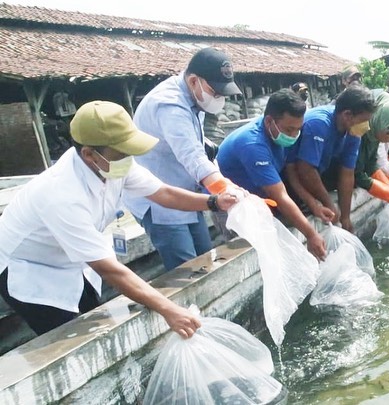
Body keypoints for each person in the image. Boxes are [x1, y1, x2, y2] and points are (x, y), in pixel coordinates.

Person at [0, 101, 236, 337]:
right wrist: (169, 309)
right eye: (122, 151)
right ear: (89, 153)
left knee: (93, 320)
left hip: (72, 260)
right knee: (67, 334)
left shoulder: (113, 164)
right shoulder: (60, 194)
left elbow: (163, 193)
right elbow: (108, 269)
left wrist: (214, 201)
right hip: (30, 271)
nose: (128, 157)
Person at [124, 47, 245, 271]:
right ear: (193, 81)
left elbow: (198, 145)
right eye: (215, 92)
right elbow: (191, 155)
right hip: (159, 200)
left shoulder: (193, 97)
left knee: (206, 259)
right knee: (188, 269)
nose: (218, 98)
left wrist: (225, 186)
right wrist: (224, 188)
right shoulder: (170, 104)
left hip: (185, 194)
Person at [216, 89, 326, 261]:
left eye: (298, 129)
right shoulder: (252, 145)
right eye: (290, 129)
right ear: (269, 121)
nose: (293, 135)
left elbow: (290, 174)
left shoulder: (281, 135)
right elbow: (280, 196)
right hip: (231, 204)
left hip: (260, 197)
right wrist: (311, 235)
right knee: (252, 256)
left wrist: (314, 205)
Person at [285, 86, 375, 233]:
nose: (367, 126)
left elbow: (347, 173)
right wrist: (328, 203)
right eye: (364, 120)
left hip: (315, 171)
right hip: (290, 175)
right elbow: (305, 169)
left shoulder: (353, 131)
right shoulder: (319, 124)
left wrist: (345, 217)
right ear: (347, 115)